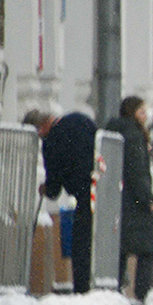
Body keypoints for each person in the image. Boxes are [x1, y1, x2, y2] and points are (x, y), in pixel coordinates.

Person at [23, 107, 98, 293]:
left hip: (82, 196)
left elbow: (54, 188)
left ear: (40, 129)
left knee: (82, 240)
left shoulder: (52, 141)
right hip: (100, 188)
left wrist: (46, 188)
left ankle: (82, 287)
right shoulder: (81, 118)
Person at [104, 96, 153, 305]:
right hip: (135, 201)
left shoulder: (116, 131)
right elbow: (137, 169)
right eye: (141, 112)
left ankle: (115, 288)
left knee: (121, 246)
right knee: (149, 247)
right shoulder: (133, 135)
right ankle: (142, 294)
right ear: (131, 113)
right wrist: (148, 198)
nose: (145, 116)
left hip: (120, 198)